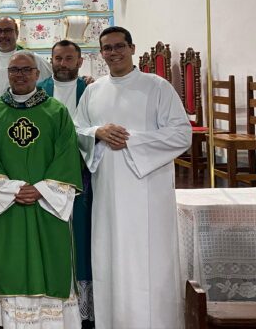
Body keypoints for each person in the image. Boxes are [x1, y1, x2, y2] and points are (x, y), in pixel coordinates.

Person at [74, 26, 191, 329]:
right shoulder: (93, 91)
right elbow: (75, 131)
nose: (113, 53)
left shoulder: (157, 87)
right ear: (101, 54)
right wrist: (97, 132)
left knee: (148, 259)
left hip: (148, 192)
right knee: (110, 256)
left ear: (132, 48)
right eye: (107, 48)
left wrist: (132, 141)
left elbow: (181, 134)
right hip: (108, 193)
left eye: (119, 46)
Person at [0, 51, 83, 329]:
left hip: (47, 205)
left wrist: (42, 190)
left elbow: (67, 156)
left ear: (37, 74)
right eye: (14, 70)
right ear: (7, 74)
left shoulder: (56, 111)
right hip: (9, 205)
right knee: (11, 262)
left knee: (52, 259)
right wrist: (11, 189)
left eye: (25, 70)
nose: (19, 75)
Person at [37, 40, 93, 329]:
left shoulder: (91, 90)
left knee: (82, 237)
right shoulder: (38, 91)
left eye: (69, 59)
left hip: (84, 177)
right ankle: (53, 299)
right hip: (47, 177)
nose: (63, 64)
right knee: (53, 237)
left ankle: (83, 307)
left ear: (80, 62)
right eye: (58, 58)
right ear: (51, 60)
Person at [0, 17, 52, 93]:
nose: (3, 35)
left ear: (16, 33)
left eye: (8, 30)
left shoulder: (33, 59)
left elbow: (52, 83)